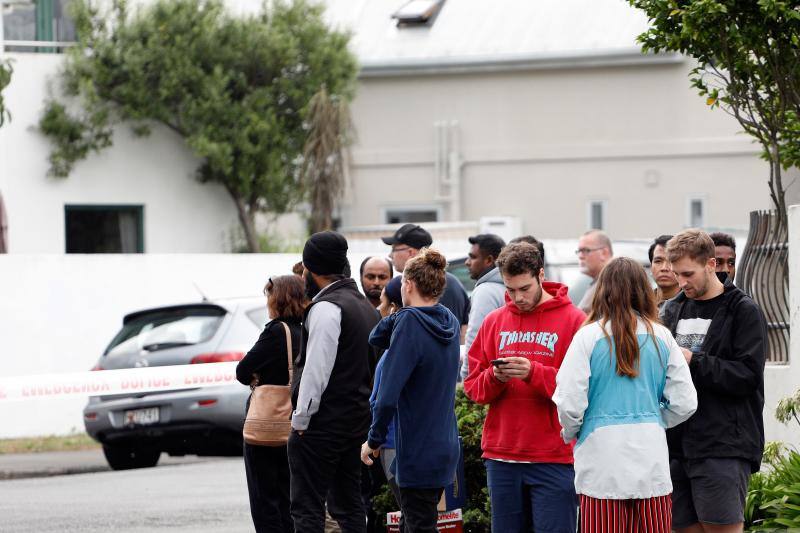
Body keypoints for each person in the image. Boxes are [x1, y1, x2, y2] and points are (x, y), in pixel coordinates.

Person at [553, 257, 697, 531]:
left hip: (601, 463)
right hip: (651, 460)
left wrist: (572, 431)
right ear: (644, 289)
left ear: (603, 290)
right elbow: (685, 402)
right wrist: (655, 419)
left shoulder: (587, 338)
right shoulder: (662, 337)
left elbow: (569, 402)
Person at [464, 242, 586, 533]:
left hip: (554, 457)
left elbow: (583, 389)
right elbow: (472, 389)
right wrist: (496, 378)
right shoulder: (495, 321)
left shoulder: (574, 321)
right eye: (510, 289)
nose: (517, 297)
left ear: (541, 275)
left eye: (524, 288)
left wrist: (534, 373)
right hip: (501, 456)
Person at [662, 229, 767, 533]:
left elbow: (747, 377)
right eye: (677, 274)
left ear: (710, 264)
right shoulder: (673, 309)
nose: (682, 282)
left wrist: (693, 360)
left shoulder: (742, 310)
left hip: (723, 446)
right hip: (677, 446)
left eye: (688, 273)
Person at [362, 248, 461, 533]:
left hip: (415, 447)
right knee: (416, 519)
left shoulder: (409, 324)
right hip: (443, 443)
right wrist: (404, 311)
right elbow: (376, 336)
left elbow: (386, 396)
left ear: (408, 285)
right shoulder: (447, 320)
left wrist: (373, 439)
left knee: (418, 523)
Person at [289, 231, 381, 533]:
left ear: (310, 269)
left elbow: (316, 371)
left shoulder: (327, 308)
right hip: (355, 421)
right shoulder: (365, 307)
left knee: (308, 506)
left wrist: (300, 420)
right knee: (349, 503)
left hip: (323, 426)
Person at [236, 275, 306, 533]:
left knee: (265, 501)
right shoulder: (306, 330)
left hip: (267, 427)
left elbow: (243, 371)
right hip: (297, 425)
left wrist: (259, 376)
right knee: (289, 499)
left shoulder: (277, 331)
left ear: (279, 299)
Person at [382, 224, 470, 340]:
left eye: (394, 249)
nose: (390, 255)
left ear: (411, 252)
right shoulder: (452, 281)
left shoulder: (427, 284)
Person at [459, 233, 506, 380]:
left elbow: (475, 335)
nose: (467, 262)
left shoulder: (485, 291)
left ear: (489, 260)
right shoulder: (508, 285)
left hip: (489, 377)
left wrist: (467, 374)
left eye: (473, 257)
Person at [576, 230, 613, 314]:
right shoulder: (601, 280)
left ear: (604, 253)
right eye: (579, 251)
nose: (580, 256)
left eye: (586, 250)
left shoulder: (614, 282)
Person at [649, 234, 679, 311]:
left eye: (671, 261)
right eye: (658, 261)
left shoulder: (692, 306)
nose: (664, 268)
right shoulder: (641, 304)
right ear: (650, 267)